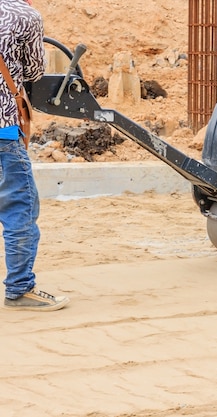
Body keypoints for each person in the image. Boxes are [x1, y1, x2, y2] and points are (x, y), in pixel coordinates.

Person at [0, 0, 69, 311]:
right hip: (3, 131)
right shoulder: (24, 15)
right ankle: (20, 288)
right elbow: (34, 72)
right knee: (20, 208)